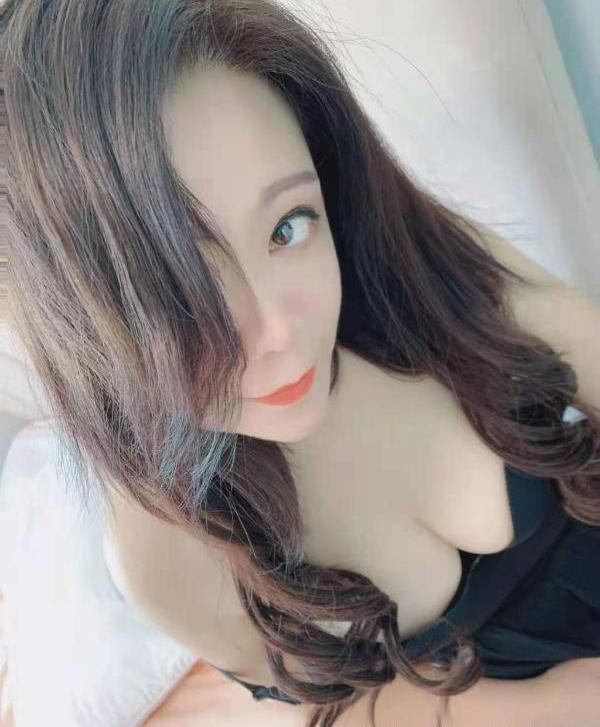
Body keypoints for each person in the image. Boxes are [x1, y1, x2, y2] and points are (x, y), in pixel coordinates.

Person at [1, 1, 600, 726]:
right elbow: (341, 703)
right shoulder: (163, 553)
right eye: (181, 291)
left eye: (287, 226)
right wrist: (556, 705)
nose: (280, 330)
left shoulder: (411, 266)